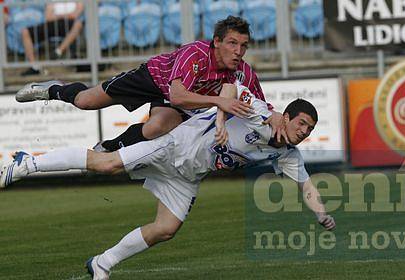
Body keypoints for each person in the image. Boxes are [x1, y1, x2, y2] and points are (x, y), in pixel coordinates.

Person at [0, 83, 335, 280]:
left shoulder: (287, 154)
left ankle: (102, 264)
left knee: (166, 229)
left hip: (188, 175)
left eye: (309, 130)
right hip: (175, 145)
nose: (304, 133)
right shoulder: (260, 113)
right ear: (287, 117)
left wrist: (321, 214)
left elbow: (305, 184)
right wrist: (220, 118)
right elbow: (231, 88)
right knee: (106, 165)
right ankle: (29, 162)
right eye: (302, 124)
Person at [15, 16, 287, 152]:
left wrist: (275, 117)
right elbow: (178, 95)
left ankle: (107, 148)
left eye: (244, 46)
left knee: (156, 127)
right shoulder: (195, 53)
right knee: (86, 102)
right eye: (232, 43)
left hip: (181, 100)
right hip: (153, 79)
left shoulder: (244, 73)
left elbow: (262, 105)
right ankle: (53, 88)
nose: (238, 51)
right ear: (216, 42)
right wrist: (220, 101)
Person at [20, 1, 85, 76]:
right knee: (25, 32)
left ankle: (58, 51)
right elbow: (48, 17)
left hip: (70, 24)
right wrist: (66, 16)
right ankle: (34, 66)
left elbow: (75, 15)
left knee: (78, 24)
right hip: (54, 24)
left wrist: (57, 15)